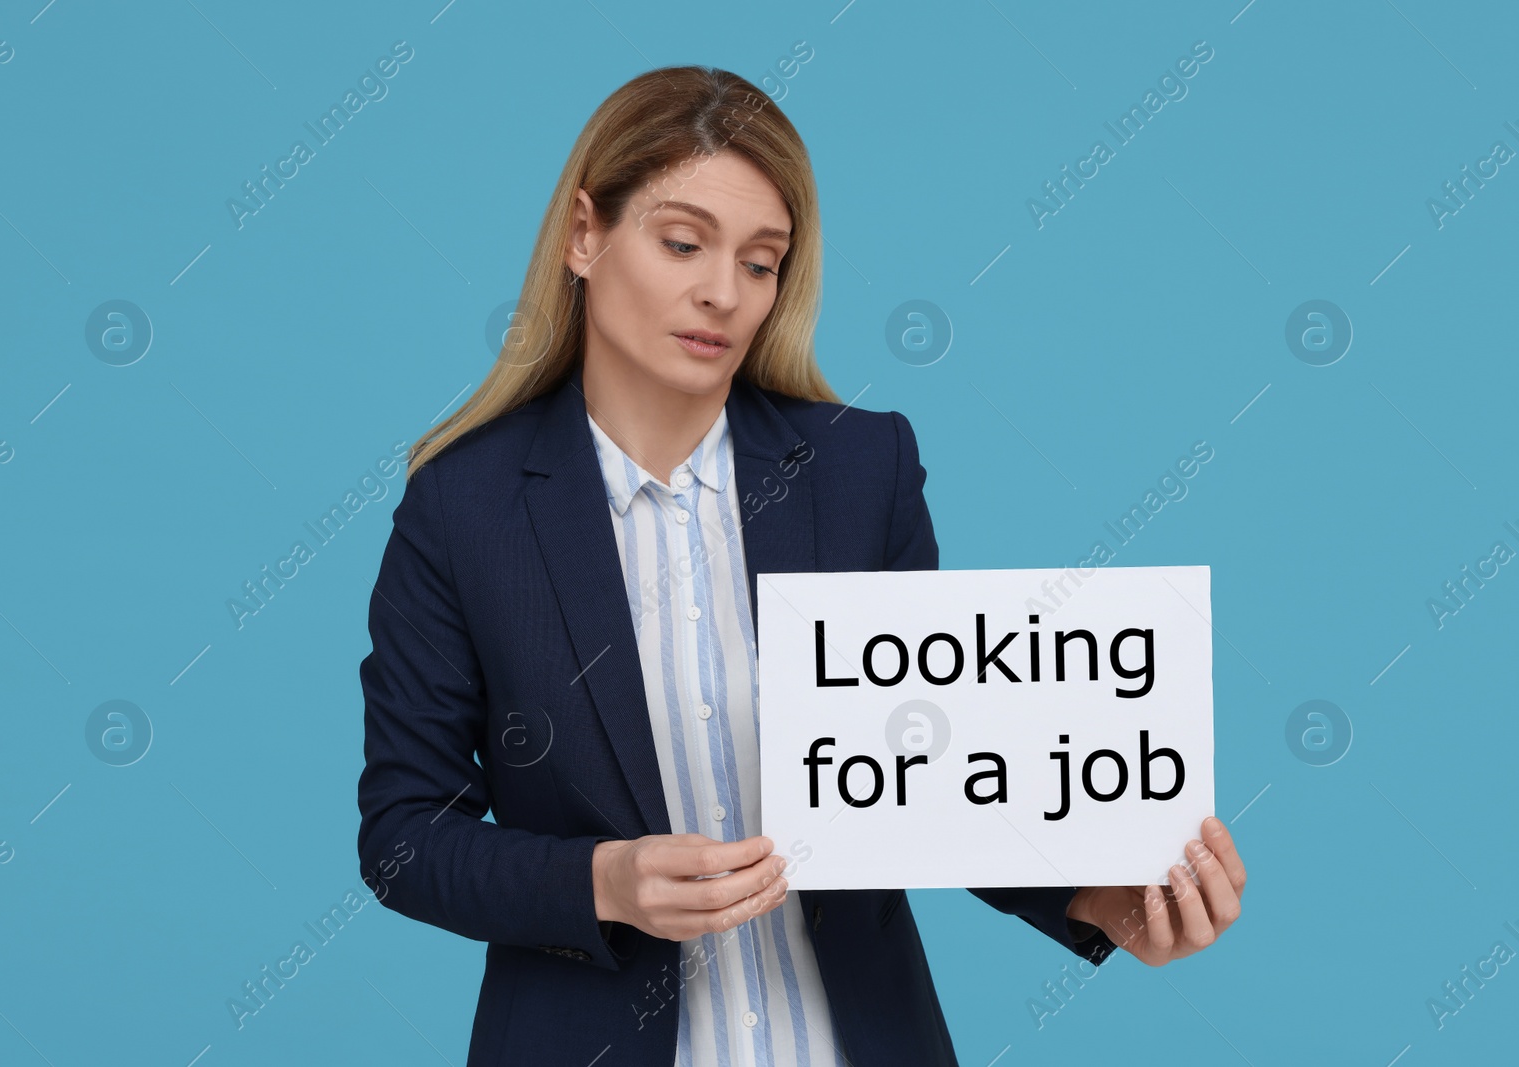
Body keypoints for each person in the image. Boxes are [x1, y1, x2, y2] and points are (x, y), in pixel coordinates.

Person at [356, 65, 1246, 1067]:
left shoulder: (862, 470)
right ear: (583, 234)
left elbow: (937, 778)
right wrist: (602, 880)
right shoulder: (460, 508)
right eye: (683, 242)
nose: (720, 292)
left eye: (761, 260)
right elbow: (405, 836)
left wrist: (1109, 899)